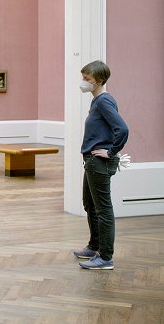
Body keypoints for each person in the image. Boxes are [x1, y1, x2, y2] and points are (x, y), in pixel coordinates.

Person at [73, 60, 128, 270]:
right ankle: (94, 246)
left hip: (98, 162)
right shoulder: (96, 100)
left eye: (87, 79)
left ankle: (105, 257)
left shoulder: (104, 101)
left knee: (103, 209)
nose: (83, 82)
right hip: (91, 161)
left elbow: (122, 129)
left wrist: (111, 151)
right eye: (83, 77)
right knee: (89, 205)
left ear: (99, 80)